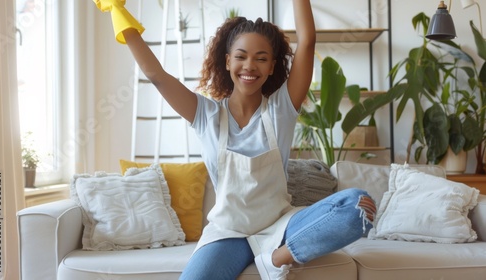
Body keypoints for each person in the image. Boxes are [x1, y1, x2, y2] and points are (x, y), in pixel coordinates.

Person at [93, 1, 377, 279]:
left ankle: (275, 260)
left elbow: (307, 42)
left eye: (261, 58)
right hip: (227, 234)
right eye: (241, 56)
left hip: (280, 227)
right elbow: (156, 76)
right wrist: (117, 10)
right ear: (228, 61)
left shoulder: (282, 109)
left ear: (271, 67)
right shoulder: (205, 114)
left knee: (357, 205)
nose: (249, 66)